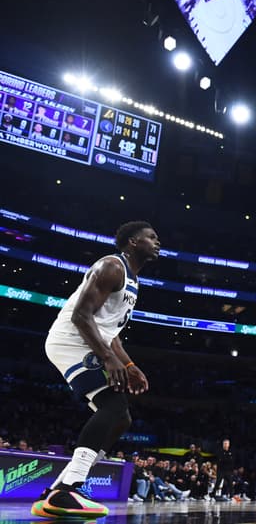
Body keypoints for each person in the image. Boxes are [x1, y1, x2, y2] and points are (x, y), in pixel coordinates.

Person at [33, 221, 160, 518]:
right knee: (113, 405)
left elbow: (109, 331)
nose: (158, 242)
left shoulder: (133, 281)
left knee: (122, 419)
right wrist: (107, 358)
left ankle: (58, 488)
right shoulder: (112, 267)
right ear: (132, 242)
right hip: (72, 340)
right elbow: (81, 315)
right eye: (151, 237)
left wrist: (128, 364)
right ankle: (71, 488)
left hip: (90, 341)